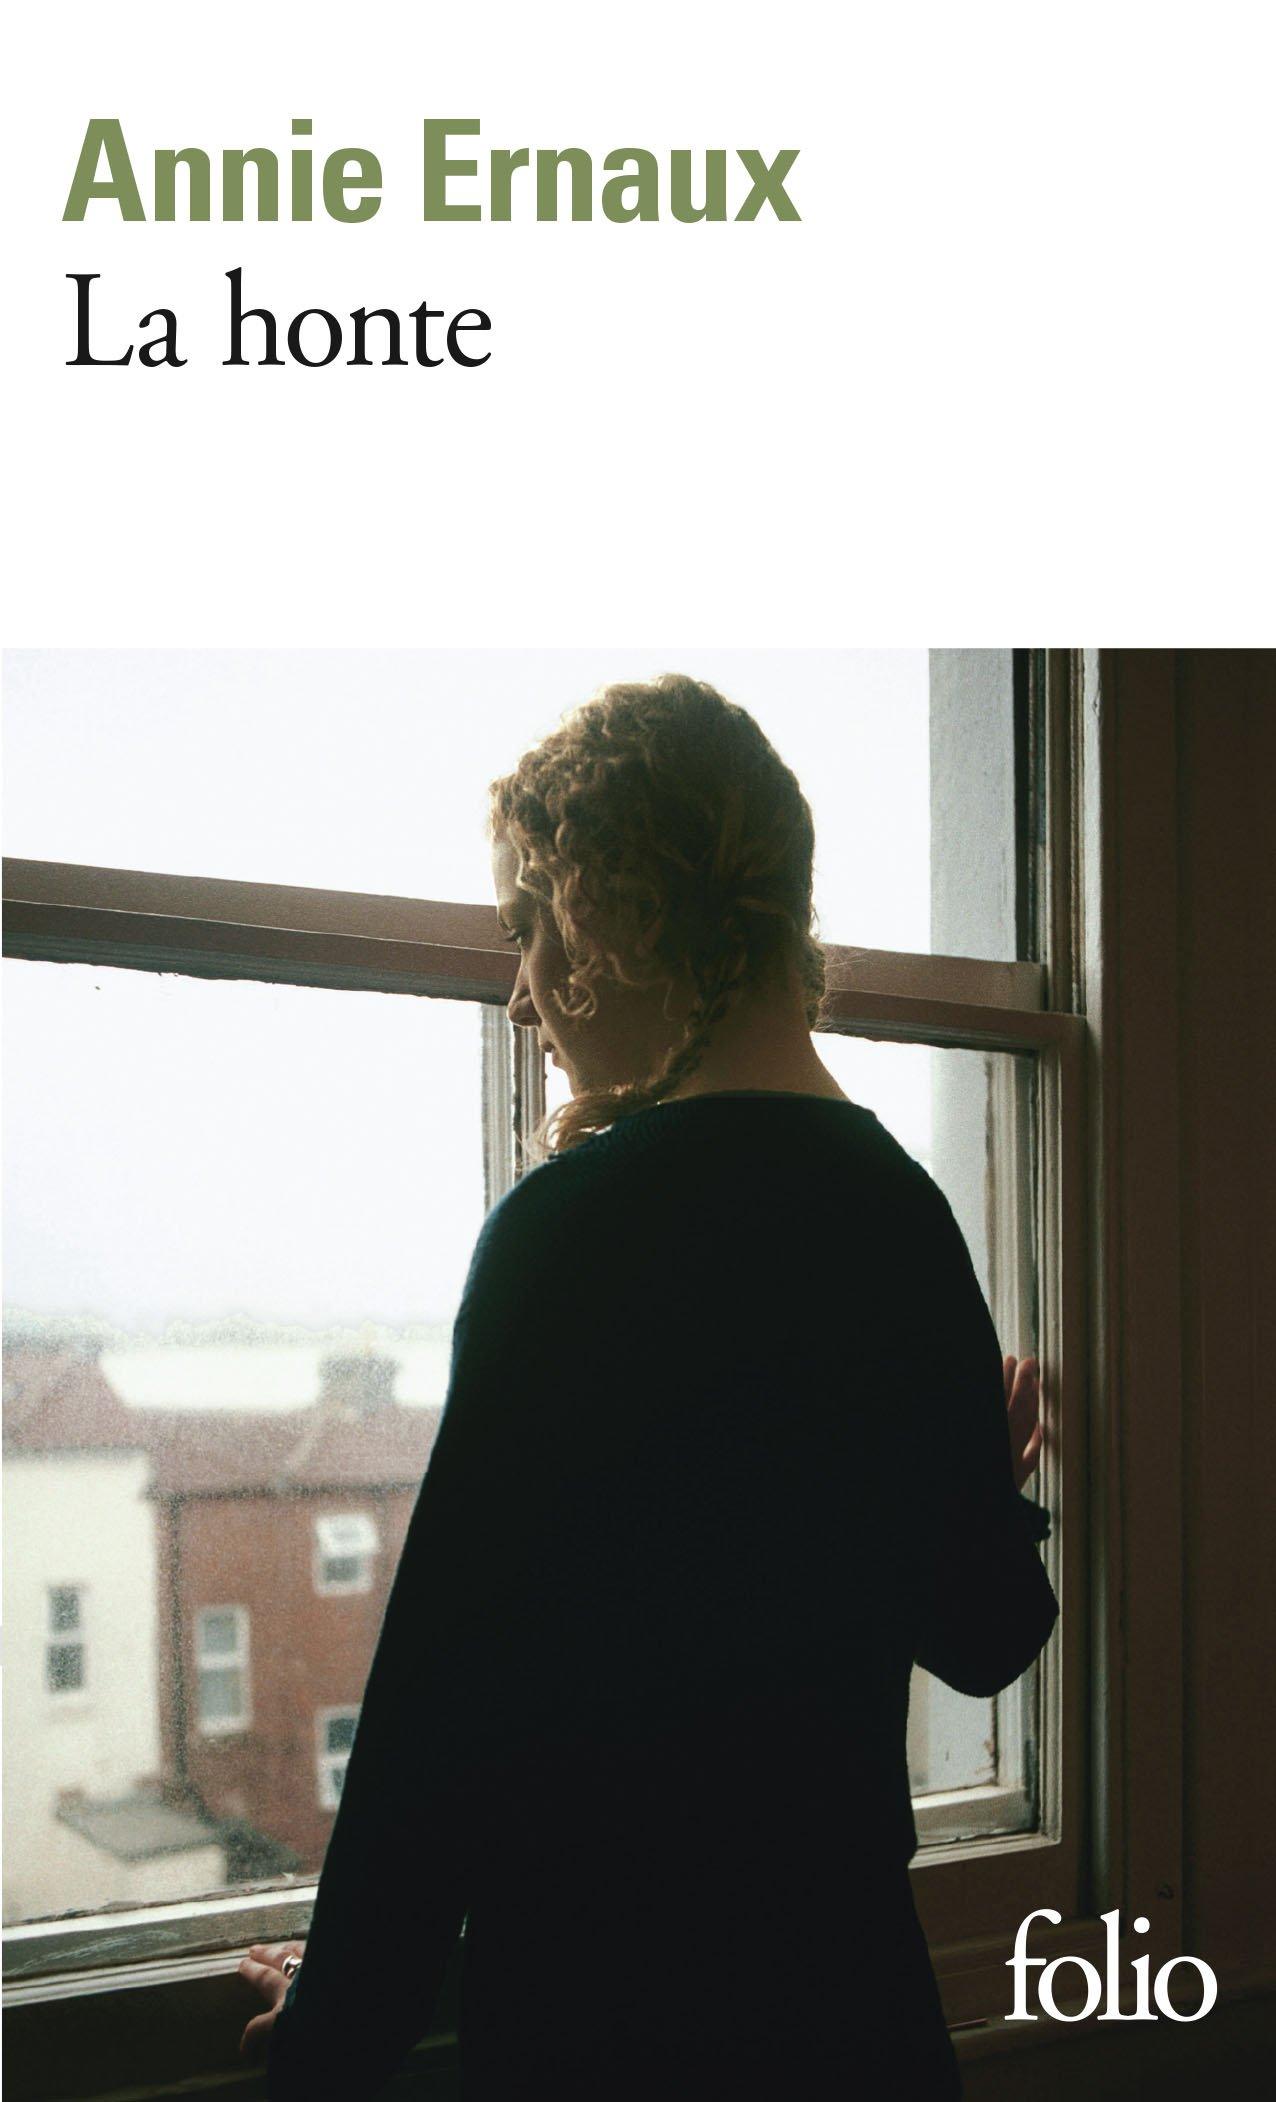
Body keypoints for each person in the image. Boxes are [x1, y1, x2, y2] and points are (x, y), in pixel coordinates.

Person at [238, 676, 1057, 2098]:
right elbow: (986, 1634)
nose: (520, 989)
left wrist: (334, 2032)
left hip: (610, 2025)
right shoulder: (904, 1215)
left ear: (609, 912)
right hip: (849, 2018)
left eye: (526, 925)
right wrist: (978, 1486)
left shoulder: (566, 1237)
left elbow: (442, 1706)